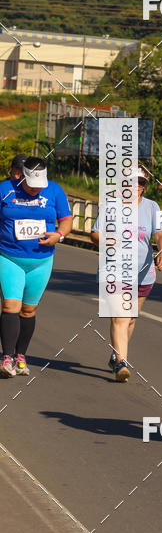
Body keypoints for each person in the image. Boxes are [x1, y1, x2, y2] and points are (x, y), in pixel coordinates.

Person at [91, 168, 162, 382]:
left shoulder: (152, 207)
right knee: (120, 316)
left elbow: (160, 233)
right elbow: (95, 233)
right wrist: (107, 241)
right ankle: (122, 363)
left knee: (131, 319)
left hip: (143, 273)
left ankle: (116, 355)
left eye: (141, 183)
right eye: (132, 182)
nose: (136, 186)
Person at [0, 156, 73, 378]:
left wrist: (59, 236)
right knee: (10, 306)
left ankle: (21, 355)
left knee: (28, 310)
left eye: (39, 187)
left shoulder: (55, 191)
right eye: (32, 186)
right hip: (9, 257)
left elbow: (67, 220)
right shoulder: (5, 189)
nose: (36, 190)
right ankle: (7, 357)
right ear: (22, 176)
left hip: (41, 260)